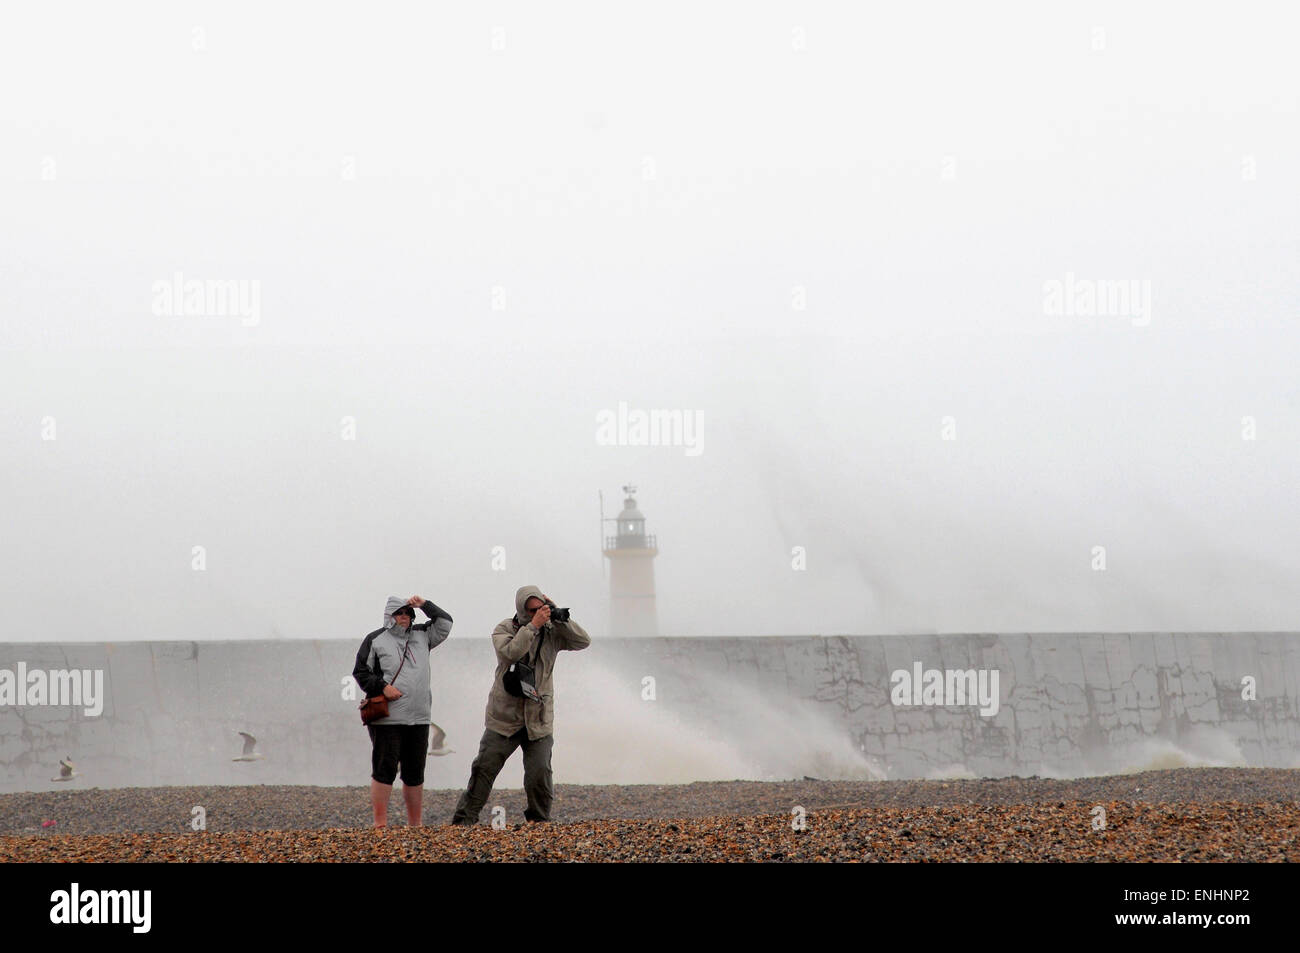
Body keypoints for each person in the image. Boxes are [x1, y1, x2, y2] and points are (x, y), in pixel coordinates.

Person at [450, 585, 590, 825]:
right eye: (532, 610)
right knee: (484, 769)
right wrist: (532, 626)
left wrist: (559, 617)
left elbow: (582, 641)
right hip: (505, 718)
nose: (539, 613)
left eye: (541, 608)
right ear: (522, 609)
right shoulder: (504, 628)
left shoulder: (552, 631)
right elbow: (510, 654)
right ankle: (464, 821)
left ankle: (539, 821)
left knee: (539, 774)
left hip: (538, 718)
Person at [353, 594, 453, 827]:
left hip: (419, 717)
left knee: (415, 772)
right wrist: (382, 687)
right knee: (384, 769)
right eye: (400, 613)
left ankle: (415, 825)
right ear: (389, 616)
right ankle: (380, 824)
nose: (404, 617)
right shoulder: (376, 639)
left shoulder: (423, 635)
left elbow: (445, 623)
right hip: (387, 717)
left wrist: (425, 605)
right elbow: (360, 672)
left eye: (408, 613)